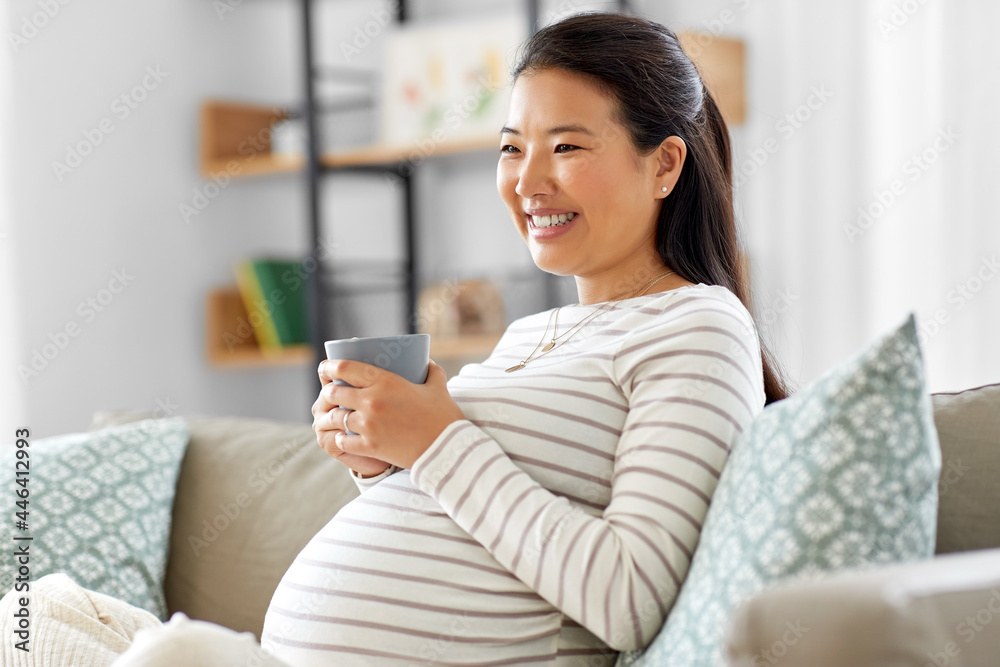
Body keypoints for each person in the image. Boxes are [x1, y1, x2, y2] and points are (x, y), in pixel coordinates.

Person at [0, 10, 786, 667]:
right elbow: (470, 530)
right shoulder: (533, 333)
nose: (527, 179)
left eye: (568, 146)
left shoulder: (699, 327)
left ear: (665, 165)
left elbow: (630, 598)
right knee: (32, 616)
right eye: (512, 146)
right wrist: (383, 460)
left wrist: (435, 440)